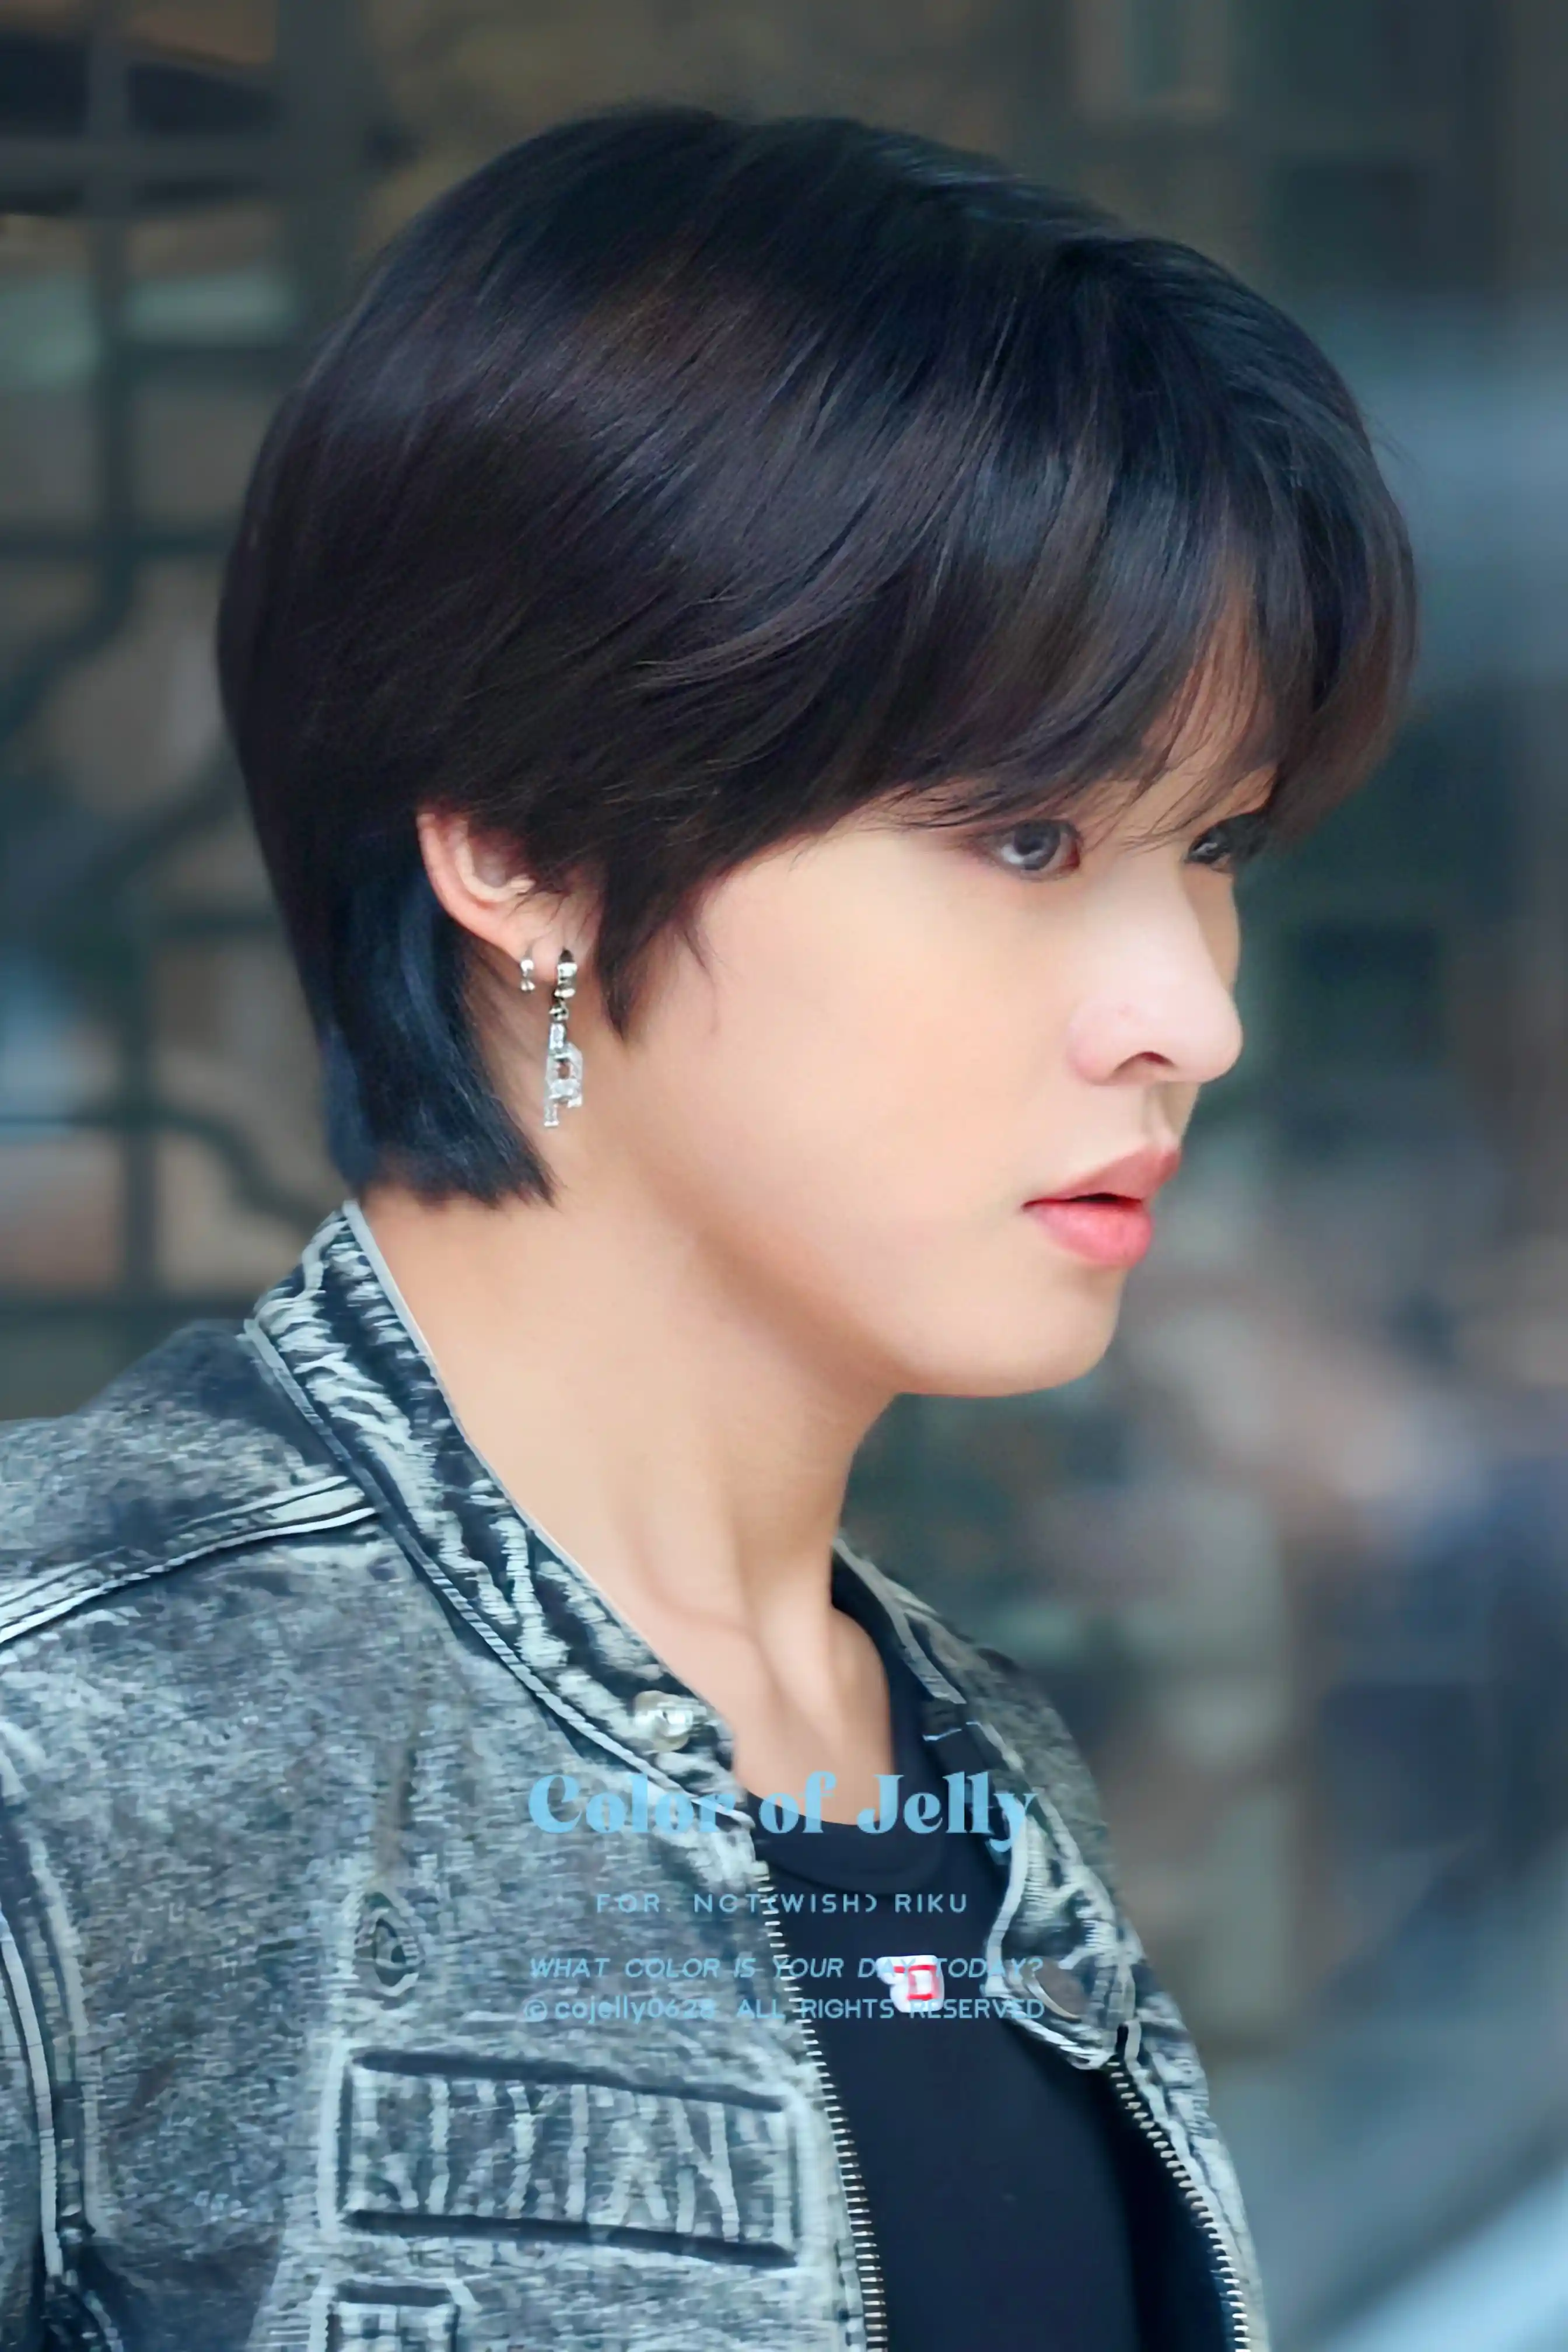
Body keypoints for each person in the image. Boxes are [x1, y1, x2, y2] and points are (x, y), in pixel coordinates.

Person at [0, 103, 1413, 2352]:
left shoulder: (963, 1752)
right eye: (1031, 841)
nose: (1190, 1017)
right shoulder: (74, 1727)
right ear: (523, 846)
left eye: (1217, 846)